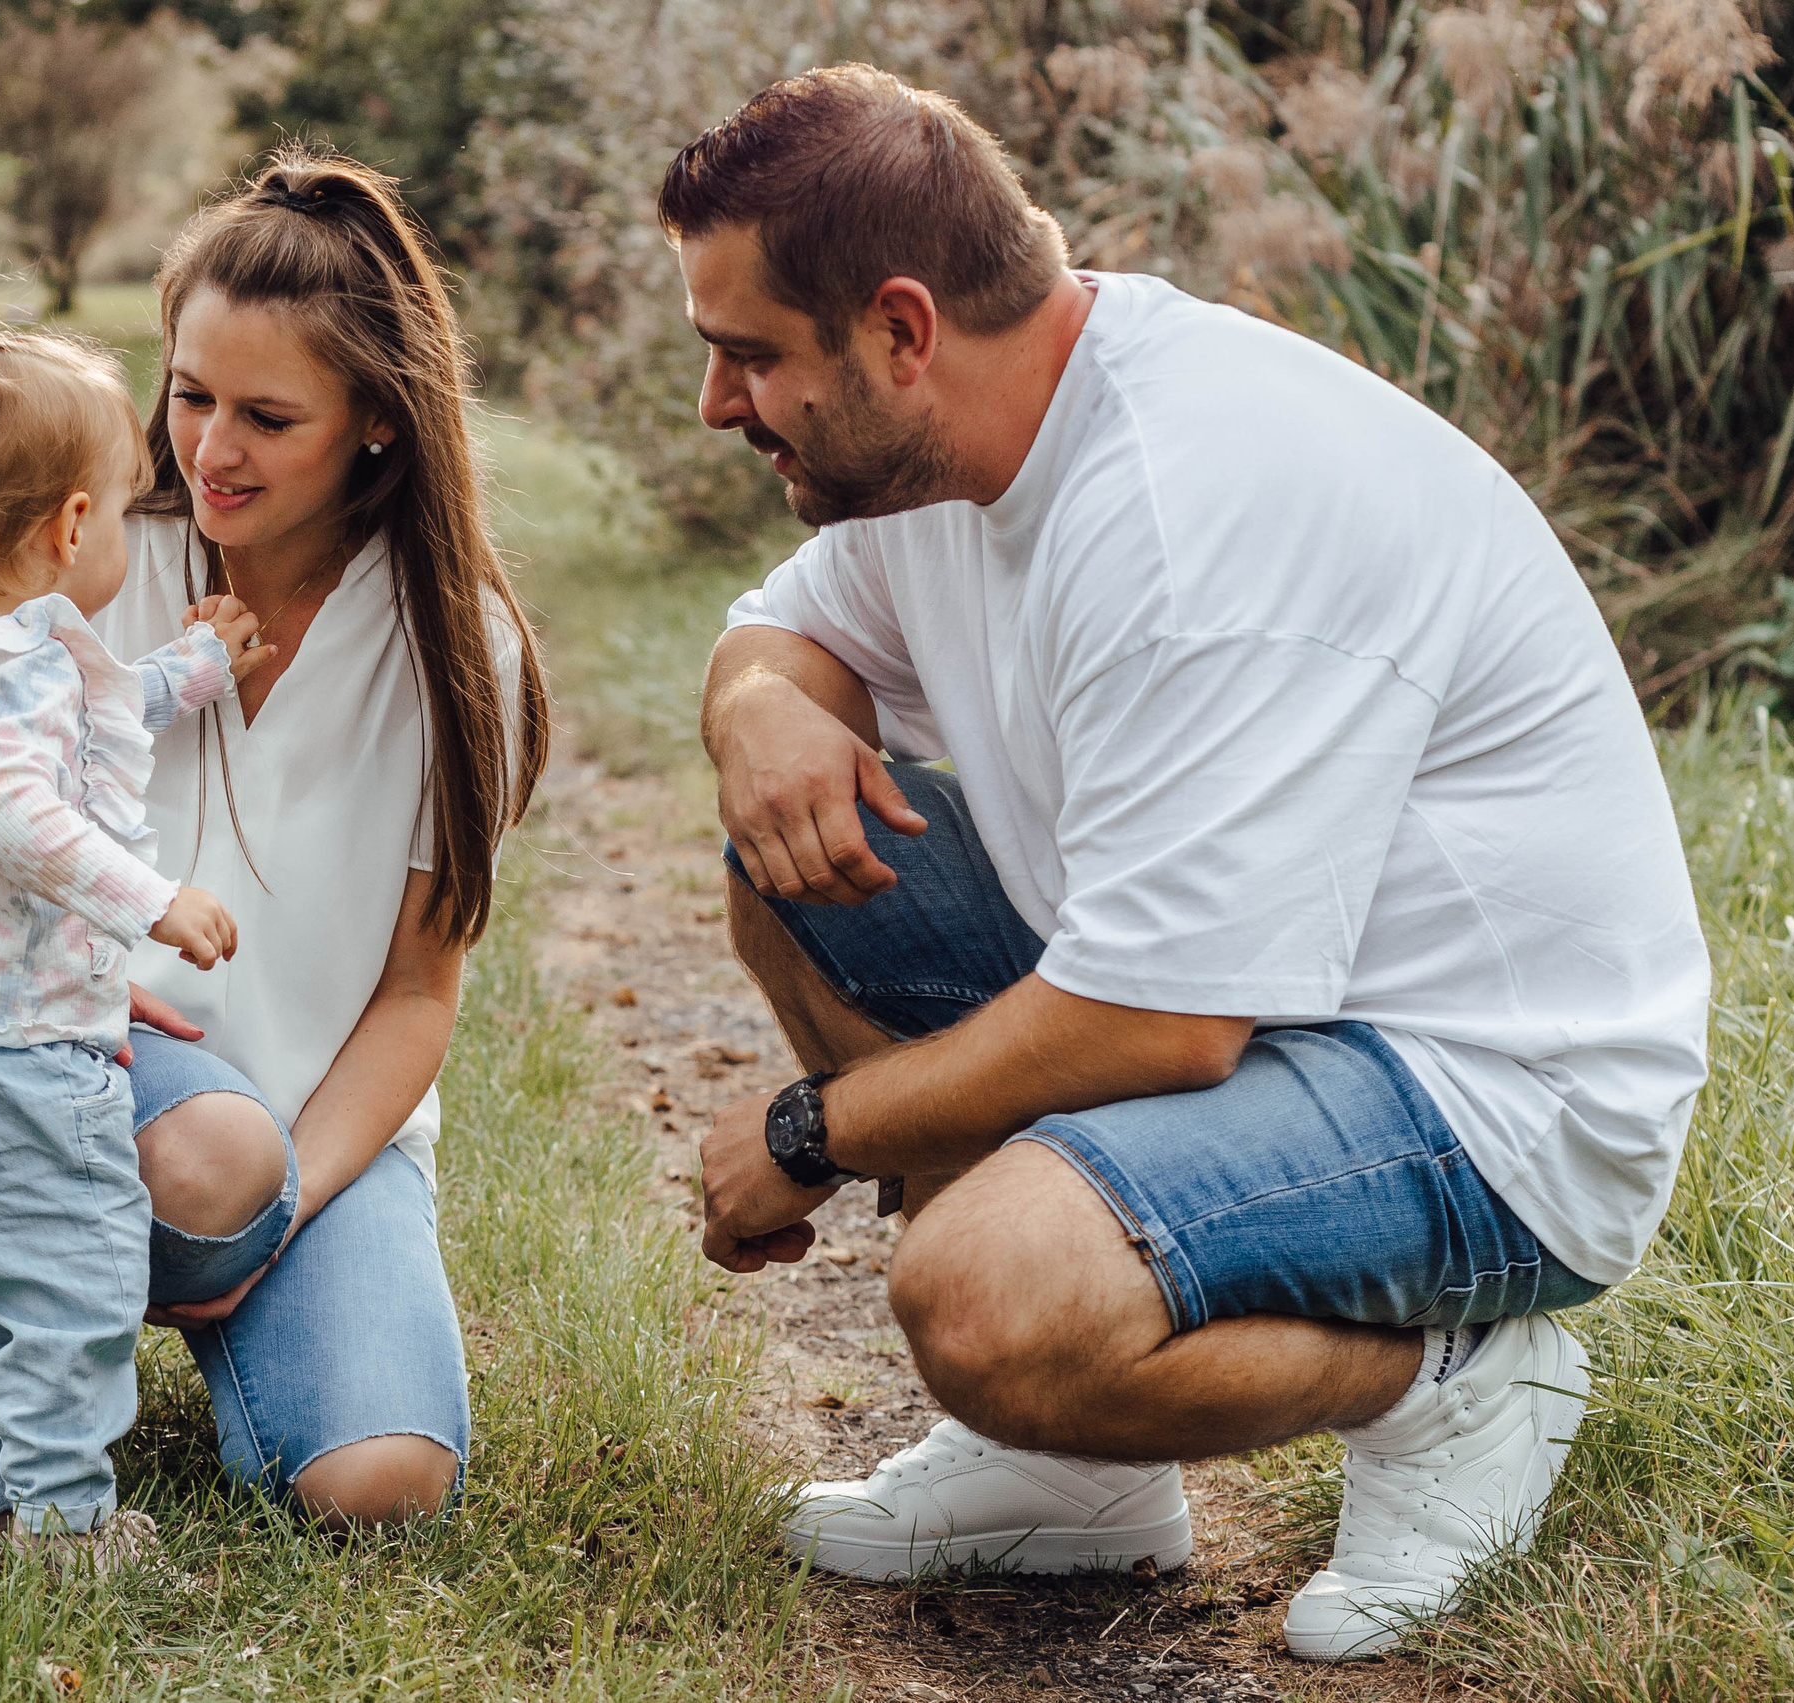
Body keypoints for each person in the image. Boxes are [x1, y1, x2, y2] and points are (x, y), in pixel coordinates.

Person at [673, 66, 1708, 1661]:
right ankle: (1069, 1474)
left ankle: (1456, 1381)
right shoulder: (944, 447)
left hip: (1488, 1098)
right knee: (792, 860)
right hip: (1264, 1012)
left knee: (983, 1295)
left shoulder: (1182, 511)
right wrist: (760, 712)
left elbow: (1158, 1027)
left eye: (747, 356)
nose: (718, 405)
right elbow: (785, 627)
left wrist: (810, 1130)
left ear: (901, 327)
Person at [0, 147, 551, 1530]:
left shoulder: (461, 648)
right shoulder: (83, 564)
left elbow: (420, 993)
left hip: (305, 1141)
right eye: (188, 395)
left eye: (267, 415)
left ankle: (174, 1285)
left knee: (384, 1484)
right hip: (84, 1087)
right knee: (201, 1155)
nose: (209, 448)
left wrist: (279, 1222)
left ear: (375, 419)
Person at [0, 296, 277, 1568]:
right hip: (14, 1065)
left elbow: (86, 717)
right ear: (74, 526)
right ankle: (65, 1526)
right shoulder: (16, 670)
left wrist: (189, 674)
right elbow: (19, 810)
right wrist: (154, 897)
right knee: (70, 1293)